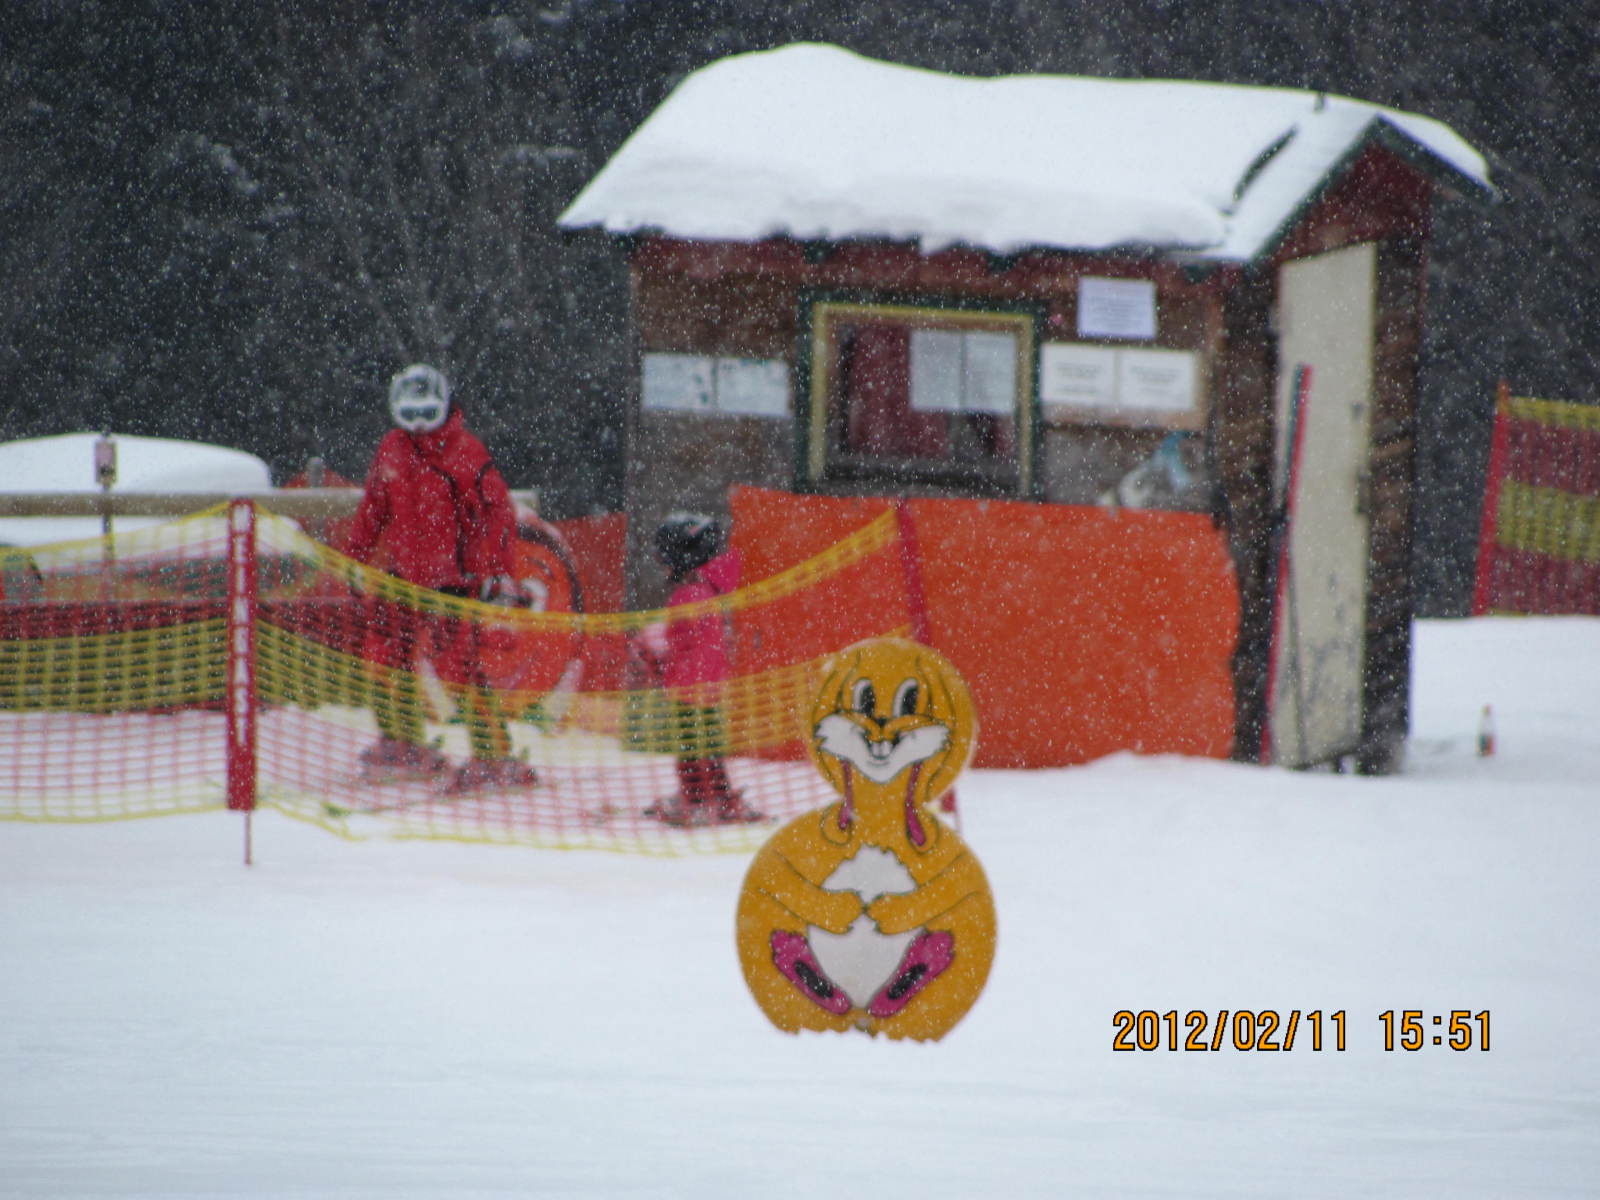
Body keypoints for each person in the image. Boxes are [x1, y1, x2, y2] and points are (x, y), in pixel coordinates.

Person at [344, 363, 537, 794]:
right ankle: (402, 742)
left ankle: (492, 755)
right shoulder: (391, 450)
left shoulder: (465, 453)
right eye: (409, 413)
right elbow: (374, 507)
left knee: (460, 670)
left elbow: (498, 513)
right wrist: (354, 560)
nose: (416, 424)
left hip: (454, 579)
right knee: (385, 658)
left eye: (425, 413)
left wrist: (499, 572)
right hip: (402, 577)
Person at [636, 512, 763, 825]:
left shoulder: (692, 594)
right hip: (701, 685)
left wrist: (657, 658)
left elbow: (688, 645)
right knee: (704, 745)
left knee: (692, 748)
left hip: (691, 687)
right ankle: (716, 797)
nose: (661, 564)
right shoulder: (702, 589)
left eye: (664, 557)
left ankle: (699, 801)